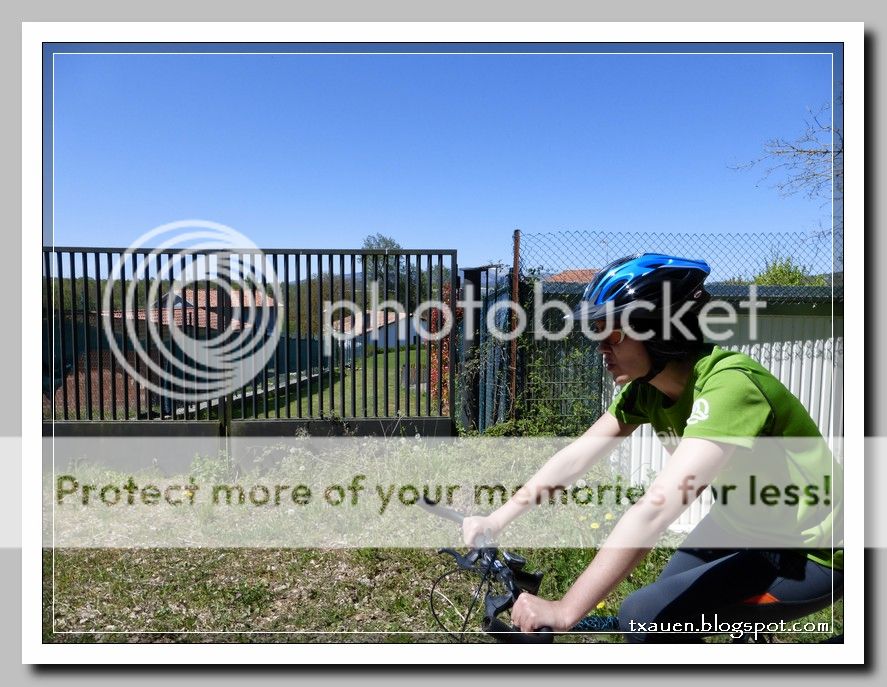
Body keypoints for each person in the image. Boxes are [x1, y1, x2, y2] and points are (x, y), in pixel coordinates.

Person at [462, 253, 843, 642]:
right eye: (594, 333)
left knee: (644, 617)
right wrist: (497, 519)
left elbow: (657, 508)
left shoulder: (730, 385)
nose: (600, 348)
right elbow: (575, 457)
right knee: (663, 617)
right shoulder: (646, 391)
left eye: (610, 334)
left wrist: (565, 610)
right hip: (743, 526)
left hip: (814, 551)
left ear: (658, 329)